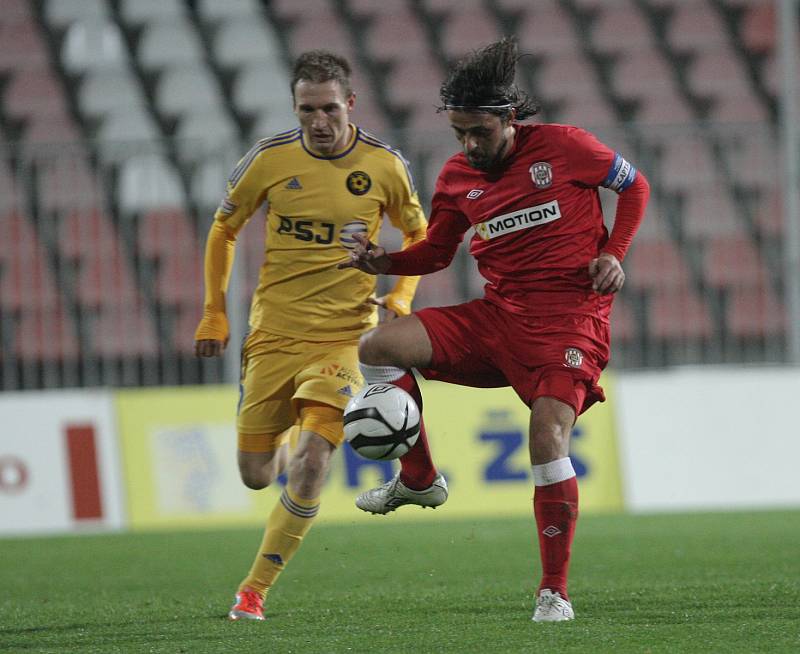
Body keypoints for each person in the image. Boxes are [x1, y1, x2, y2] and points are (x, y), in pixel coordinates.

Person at [339, 37, 649, 622]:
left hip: (570, 320)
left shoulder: (565, 146)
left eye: (478, 131)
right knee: (377, 346)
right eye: (459, 133)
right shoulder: (458, 176)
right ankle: (420, 478)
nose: (468, 144)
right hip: (497, 319)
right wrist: (383, 261)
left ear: (509, 119)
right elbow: (435, 251)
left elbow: (635, 186)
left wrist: (615, 252)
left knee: (546, 436)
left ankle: (553, 591)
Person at [194, 50, 430, 621]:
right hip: (273, 332)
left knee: (313, 459)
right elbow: (225, 228)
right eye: (307, 110)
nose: (318, 122)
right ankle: (280, 448)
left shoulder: (384, 165)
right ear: (295, 108)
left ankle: (254, 590)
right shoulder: (270, 159)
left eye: (329, 108)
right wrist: (214, 311)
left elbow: (419, 231)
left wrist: (399, 298)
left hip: (346, 337)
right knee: (256, 474)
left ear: (350, 103)